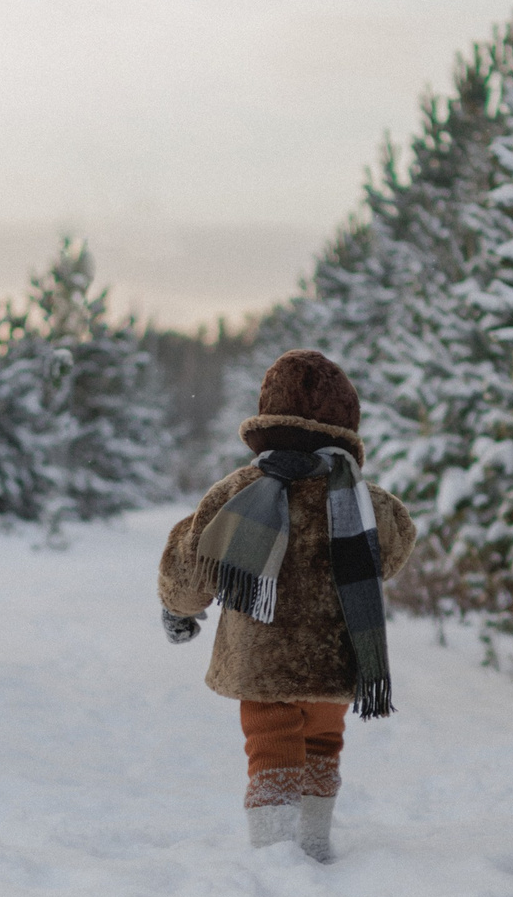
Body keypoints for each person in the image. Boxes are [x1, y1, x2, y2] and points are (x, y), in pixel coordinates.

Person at [158, 350, 416, 861]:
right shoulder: (367, 502)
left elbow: (192, 560)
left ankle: (275, 852)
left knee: (271, 748)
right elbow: (392, 552)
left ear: (268, 419)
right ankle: (314, 843)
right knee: (322, 743)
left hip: (262, 662)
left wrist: (178, 608)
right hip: (334, 656)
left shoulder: (239, 491)